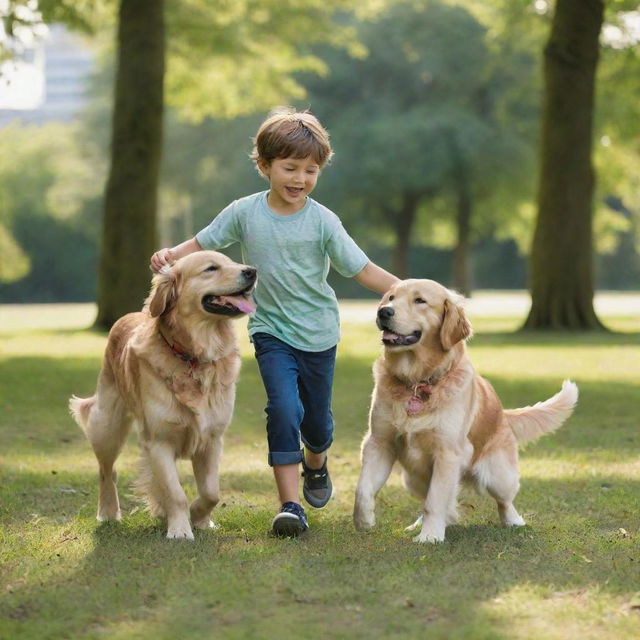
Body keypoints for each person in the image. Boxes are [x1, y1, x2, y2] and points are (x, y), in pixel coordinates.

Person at [150, 107, 398, 537]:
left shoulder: (323, 221)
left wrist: (410, 293)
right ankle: (290, 505)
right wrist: (170, 255)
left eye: (311, 170)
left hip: (319, 334)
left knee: (316, 424)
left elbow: (361, 269)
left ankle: (316, 463)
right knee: (283, 409)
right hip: (270, 331)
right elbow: (201, 243)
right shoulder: (245, 213)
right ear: (264, 166)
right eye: (290, 168)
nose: (300, 179)